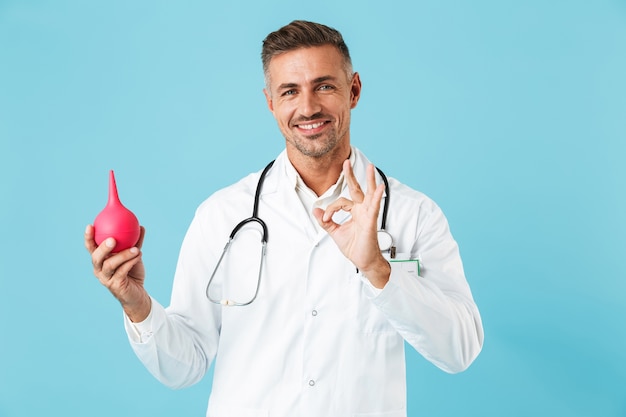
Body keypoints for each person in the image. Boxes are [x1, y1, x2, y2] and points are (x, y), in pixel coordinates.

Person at [85, 20, 483, 417]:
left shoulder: (413, 214)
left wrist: (379, 270)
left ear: (354, 90)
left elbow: (460, 350)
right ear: (270, 102)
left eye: (324, 86)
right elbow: (184, 366)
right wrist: (136, 305)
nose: (308, 107)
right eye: (290, 91)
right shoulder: (223, 215)